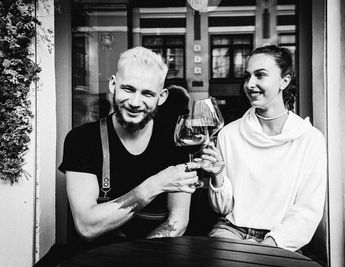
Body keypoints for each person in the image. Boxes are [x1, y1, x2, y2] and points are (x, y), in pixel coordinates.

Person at [60, 47, 201, 247]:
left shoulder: (176, 139)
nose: (135, 102)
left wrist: (138, 258)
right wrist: (155, 184)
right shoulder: (82, 139)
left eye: (147, 94)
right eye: (128, 89)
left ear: (161, 97)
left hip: (155, 254)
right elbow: (87, 227)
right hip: (95, 255)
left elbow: (177, 221)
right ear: (113, 85)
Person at [201, 45, 327, 252]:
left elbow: (307, 212)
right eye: (247, 76)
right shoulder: (228, 134)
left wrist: (267, 247)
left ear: (284, 81)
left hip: (281, 240)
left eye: (260, 75)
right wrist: (217, 176)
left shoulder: (309, 138)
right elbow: (222, 209)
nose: (250, 84)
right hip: (230, 232)